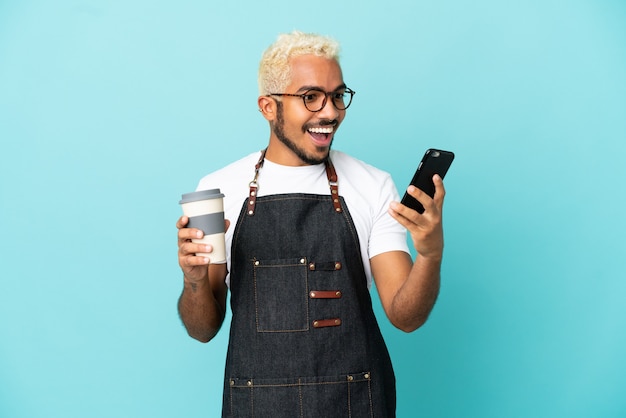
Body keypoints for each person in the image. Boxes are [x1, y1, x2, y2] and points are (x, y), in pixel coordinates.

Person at [176, 30, 446, 417]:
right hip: (258, 403)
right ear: (268, 107)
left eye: (338, 95)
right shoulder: (216, 191)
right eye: (310, 97)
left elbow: (406, 317)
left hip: (356, 400)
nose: (331, 111)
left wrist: (430, 254)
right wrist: (194, 280)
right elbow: (203, 329)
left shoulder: (372, 184)